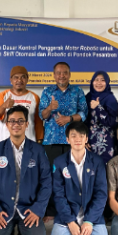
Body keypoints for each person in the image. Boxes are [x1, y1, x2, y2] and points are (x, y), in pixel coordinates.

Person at [0, 105, 52, 235]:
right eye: (12, 121)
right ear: (7, 124)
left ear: (27, 124)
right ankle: (9, 232)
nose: (16, 124)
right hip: (3, 209)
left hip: (28, 208)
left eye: (20, 121)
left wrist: (38, 209)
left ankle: (22, 231)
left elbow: (46, 182)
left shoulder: (38, 150)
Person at [50, 122, 109, 235]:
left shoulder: (97, 161)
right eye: (73, 136)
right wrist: (70, 221)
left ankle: (85, 231)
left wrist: (89, 221)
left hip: (91, 213)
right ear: (67, 139)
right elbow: (58, 195)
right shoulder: (59, 162)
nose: (78, 139)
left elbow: (101, 194)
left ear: (86, 139)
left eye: (81, 136)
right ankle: (73, 232)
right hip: (68, 213)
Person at [39, 62, 87, 217]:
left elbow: (84, 114)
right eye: (58, 73)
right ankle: (51, 211)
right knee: (52, 176)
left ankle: (73, 209)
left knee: (72, 175)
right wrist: (49, 108)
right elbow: (42, 116)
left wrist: (69, 118)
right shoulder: (47, 92)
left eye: (65, 72)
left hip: (72, 141)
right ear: (54, 75)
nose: (62, 75)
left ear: (69, 74)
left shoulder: (77, 91)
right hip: (51, 141)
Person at [0, 65, 44, 144]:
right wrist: (4, 106)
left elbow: (38, 122)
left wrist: (39, 139)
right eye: (16, 77)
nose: (19, 80)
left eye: (23, 77)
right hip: (5, 142)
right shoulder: (3, 95)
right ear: (11, 80)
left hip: (28, 142)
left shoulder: (34, 97)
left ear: (27, 79)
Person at [85, 71, 118, 164]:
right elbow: (84, 121)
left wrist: (98, 107)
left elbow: (112, 122)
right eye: (96, 80)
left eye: (102, 80)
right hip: (89, 143)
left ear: (107, 82)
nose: (99, 83)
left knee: (105, 169)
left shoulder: (110, 99)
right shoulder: (87, 97)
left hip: (106, 144)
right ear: (92, 82)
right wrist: (84, 139)